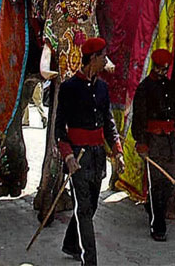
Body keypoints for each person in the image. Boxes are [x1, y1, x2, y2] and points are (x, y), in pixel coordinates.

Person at [56, 37, 124, 265]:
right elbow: (58, 129)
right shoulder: (68, 88)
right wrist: (68, 156)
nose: (106, 60)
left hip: (97, 156)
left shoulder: (103, 88)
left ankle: (70, 243)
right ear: (92, 59)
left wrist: (117, 151)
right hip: (78, 156)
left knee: (91, 205)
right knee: (84, 210)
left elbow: (108, 122)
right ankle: (90, 261)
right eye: (103, 56)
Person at [131, 48, 175, 242]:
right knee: (156, 183)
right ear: (154, 66)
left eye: (165, 69)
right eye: (159, 69)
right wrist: (141, 143)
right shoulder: (144, 89)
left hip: (169, 141)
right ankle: (157, 226)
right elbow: (139, 118)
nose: (162, 72)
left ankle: (151, 205)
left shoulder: (169, 86)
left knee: (171, 179)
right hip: (153, 141)